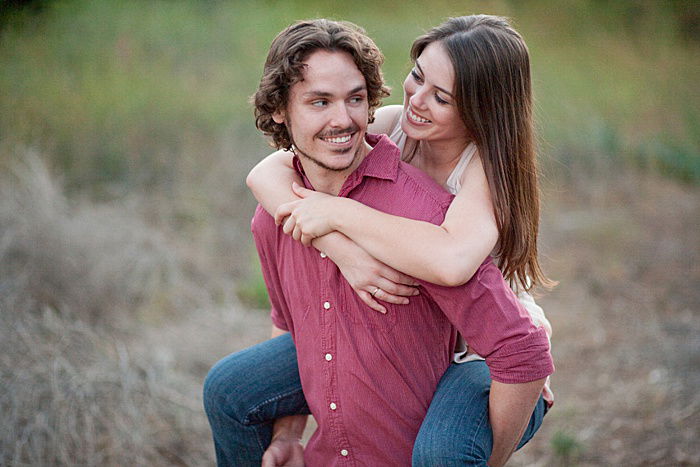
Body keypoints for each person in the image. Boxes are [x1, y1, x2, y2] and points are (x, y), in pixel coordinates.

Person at [204, 18, 553, 467]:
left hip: (474, 350)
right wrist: (342, 249)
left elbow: (450, 261)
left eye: (441, 97)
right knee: (229, 389)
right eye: (417, 77)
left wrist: (339, 212)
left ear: (482, 110)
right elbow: (267, 171)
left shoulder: (483, 172)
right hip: (404, 326)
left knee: (442, 452)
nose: (417, 100)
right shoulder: (392, 125)